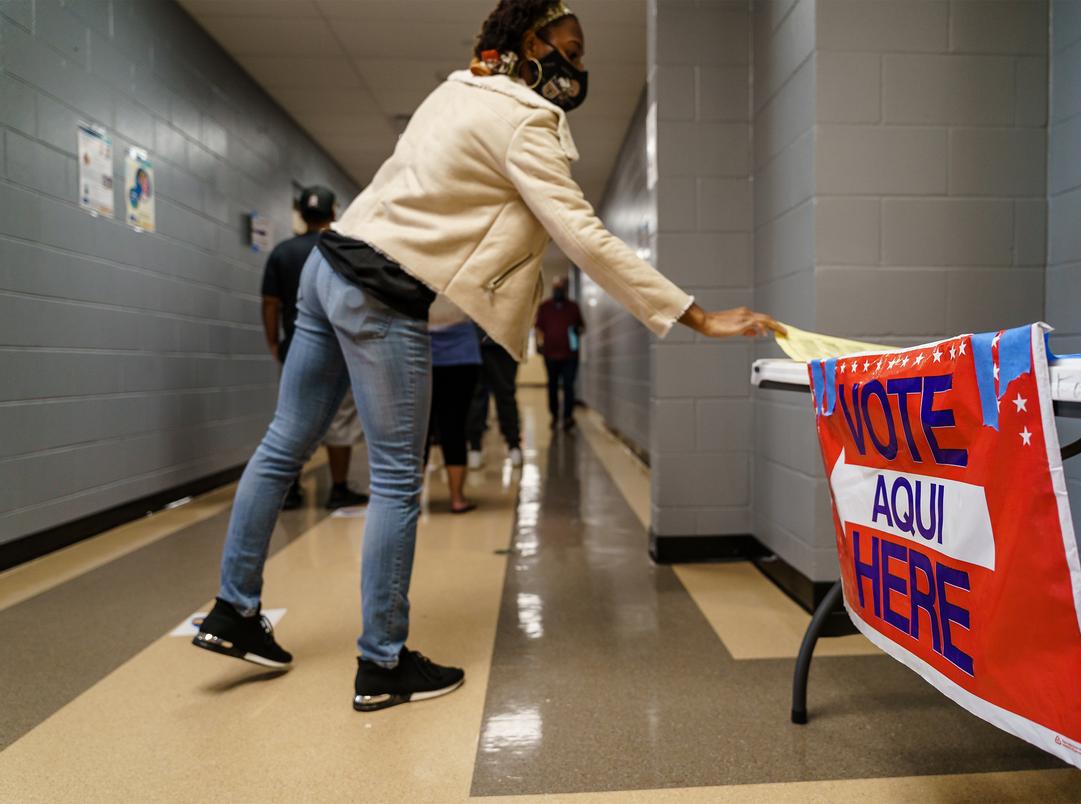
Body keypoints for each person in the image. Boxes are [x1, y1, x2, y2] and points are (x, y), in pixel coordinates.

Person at [192, 0, 780, 713]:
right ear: (531, 43)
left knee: (285, 442)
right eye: (571, 48)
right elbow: (585, 237)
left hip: (326, 269)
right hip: (381, 292)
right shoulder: (527, 122)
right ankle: (381, 665)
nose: (580, 64)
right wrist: (698, 317)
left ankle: (233, 610)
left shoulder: (457, 90)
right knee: (399, 477)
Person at [260, 186, 370, 511]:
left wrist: (273, 342)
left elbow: (270, 303)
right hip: (338, 347)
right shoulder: (343, 250)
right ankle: (337, 488)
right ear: (334, 213)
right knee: (340, 419)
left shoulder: (282, 252)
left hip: (296, 345)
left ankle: (290, 490)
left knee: (292, 418)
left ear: (302, 214)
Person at [427, 298, 482, 513]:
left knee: (418, 429)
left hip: (420, 343)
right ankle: (457, 498)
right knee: (455, 426)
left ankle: (409, 500)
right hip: (460, 349)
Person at [467, 324, 523, 468]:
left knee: (478, 396)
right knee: (504, 395)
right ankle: (513, 447)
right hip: (502, 337)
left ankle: (475, 449)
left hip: (481, 339)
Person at [535, 275, 584, 431]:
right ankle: (555, 416)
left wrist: (577, 331)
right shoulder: (544, 307)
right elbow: (538, 329)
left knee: (569, 386)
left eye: (560, 287)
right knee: (552, 386)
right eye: (556, 287)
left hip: (570, 355)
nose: (558, 290)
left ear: (565, 289)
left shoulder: (573, 307)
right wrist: (539, 344)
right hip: (550, 354)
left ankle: (568, 417)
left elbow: (583, 327)